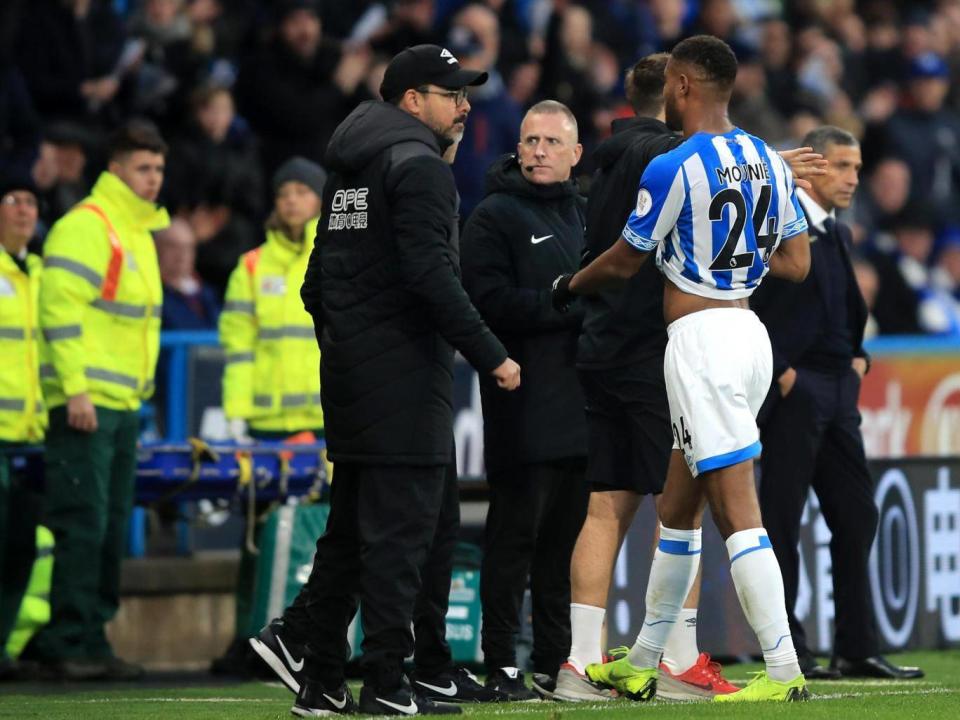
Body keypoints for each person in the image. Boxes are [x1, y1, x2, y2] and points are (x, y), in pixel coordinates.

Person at [249, 45, 521, 717]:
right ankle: (386, 685)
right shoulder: (419, 169)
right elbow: (433, 277)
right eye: (449, 93)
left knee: (350, 532)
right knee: (402, 537)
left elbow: (318, 283)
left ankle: (315, 677)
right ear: (410, 100)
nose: (463, 105)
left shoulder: (353, 171)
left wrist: (350, 345)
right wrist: (492, 354)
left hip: (353, 376)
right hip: (404, 377)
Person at [552, 35, 813, 703]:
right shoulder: (765, 158)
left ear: (684, 87)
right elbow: (796, 263)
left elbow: (624, 259)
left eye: (670, 84)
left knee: (737, 508)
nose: (665, 95)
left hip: (702, 340)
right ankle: (645, 660)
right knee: (677, 505)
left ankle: (784, 671)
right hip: (748, 331)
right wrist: (736, 265)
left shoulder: (677, 165)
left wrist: (571, 284)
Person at [555, 53, 738, 703]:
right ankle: (677, 657)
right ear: (679, 95)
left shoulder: (608, 156)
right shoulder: (671, 159)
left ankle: (578, 662)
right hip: (653, 352)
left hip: (601, 345)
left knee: (605, 504)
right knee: (679, 506)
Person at [751, 126, 924, 681]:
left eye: (856, 167)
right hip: (796, 391)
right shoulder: (777, 221)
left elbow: (836, 308)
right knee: (782, 519)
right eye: (844, 166)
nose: (855, 178)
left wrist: (857, 356)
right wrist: (780, 371)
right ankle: (788, 651)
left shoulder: (836, 232)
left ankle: (855, 646)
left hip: (837, 389)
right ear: (815, 167)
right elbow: (745, 291)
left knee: (856, 513)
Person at [27, 121, 170, 680]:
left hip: (121, 405)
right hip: (86, 404)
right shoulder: (88, 228)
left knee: (108, 524)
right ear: (114, 170)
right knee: (83, 521)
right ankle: (68, 640)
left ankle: (91, 637)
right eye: (143, 168)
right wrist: (76, 390)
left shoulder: (135, 233)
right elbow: (57, 313)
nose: (154, 180)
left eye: (159, 169)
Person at [460, 100, 588, 700]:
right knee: (514, 537)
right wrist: (560, 303)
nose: (537, 150)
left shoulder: (588, 215)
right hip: (523, 398)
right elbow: (483, 300)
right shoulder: (493, 216)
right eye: (529, 140)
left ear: (575, 154)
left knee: (563, 544)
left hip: (582, 404)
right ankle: (500, 662)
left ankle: (553, 660)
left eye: (550, 142)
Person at [0, 176, 45, 679]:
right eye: (13, 200)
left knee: (19, 549)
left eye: (32, 202)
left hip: (30, 436)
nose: (24, 211)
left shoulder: (39, 271)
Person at [155, 218, 220, 330]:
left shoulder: (207, 292)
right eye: (173, 246)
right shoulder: (153, 293)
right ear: (157, 247)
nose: (182, 255)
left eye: (188, 247)